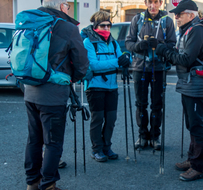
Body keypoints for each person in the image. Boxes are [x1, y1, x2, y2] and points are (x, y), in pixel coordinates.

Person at [24, 0, 89, 190]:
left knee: (34, 139)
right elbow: (81, 63)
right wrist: (70, 79)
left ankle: (32, 182)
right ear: (61, 6)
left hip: (30, 91)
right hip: (53, 95)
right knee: (52, 142)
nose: (68, 8)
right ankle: (48, 184)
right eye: (67, 5)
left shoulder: (31, 21)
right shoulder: (67, 28)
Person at [156, 0, 203, 181]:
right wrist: (168, 50)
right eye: (175, 14)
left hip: (195, 84)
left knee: (196, 124)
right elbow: (183, 55)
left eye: (179, 14)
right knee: (191, 123)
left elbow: (186, 59)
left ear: (191, 15)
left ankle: (198, 166)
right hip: (189, 83)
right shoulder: (189, 30)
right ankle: (192, 158)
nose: (176, 17)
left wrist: (164, 51)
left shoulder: (197, 30)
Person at [125, 0, 176, 150]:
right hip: (140, 67)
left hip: (158, 67)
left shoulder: (167, 21)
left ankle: (155, 136)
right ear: (146, 3)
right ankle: (142, 135)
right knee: (141, 104)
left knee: (156, 104)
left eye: (155, 2)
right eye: (150, 2)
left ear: (160, 3)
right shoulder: (137, 19)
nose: (152, 6)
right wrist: (138, 46)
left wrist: (159, 47)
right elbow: (129, 43)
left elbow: (172, 44)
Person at [81, 11, 130, 162]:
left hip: (111, 86)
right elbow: (93, 65)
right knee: (98, 118)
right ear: (95, 26)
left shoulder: (113, 42)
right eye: (103, 25)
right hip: (95, 86)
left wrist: (126, 59)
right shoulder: (88, 42)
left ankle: (107, 147)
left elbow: (121, 56)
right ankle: (96, 149)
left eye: (109, 25)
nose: (107, 28)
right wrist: (118, 62)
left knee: (111, 118)